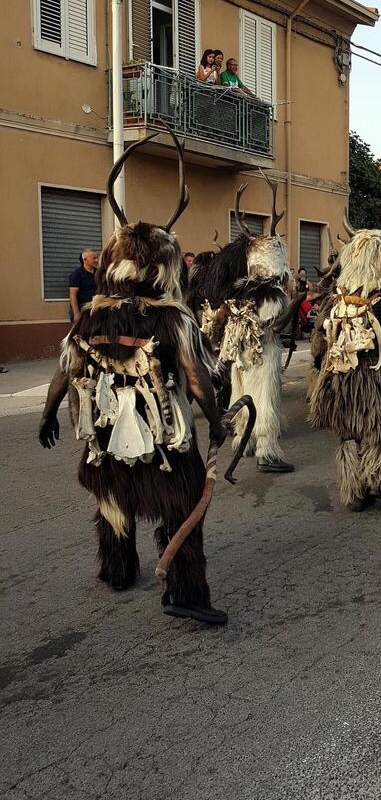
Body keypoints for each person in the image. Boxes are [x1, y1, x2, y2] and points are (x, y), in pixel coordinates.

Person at [38, 130, 231, 626]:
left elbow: (66, 370)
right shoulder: (173, 318)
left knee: (112, 501)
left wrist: (48, 416)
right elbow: (196, 380)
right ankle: (185, 591)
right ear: (166, 267)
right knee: (182, 505)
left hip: (105, 436)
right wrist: (218, 421)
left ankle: (118, 568)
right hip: (165, 445)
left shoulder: (92, 316)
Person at [309, 218, 381, 511]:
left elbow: (320, 339)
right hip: (374, 377)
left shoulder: (336, 299)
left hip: (338, 377)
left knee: (348, 432)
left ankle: (354, 491)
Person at [188, 180, 304, 474]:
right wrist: (296, 301)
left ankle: (243, 440)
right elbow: (275, 325)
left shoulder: (240, 290)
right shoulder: (273, 294)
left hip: (238, 354)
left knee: (241, 392)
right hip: (262, 353)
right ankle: (267, 450)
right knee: (265, 395)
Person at [69, 249, 98, 322]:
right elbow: (73, 295)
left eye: (97, 258)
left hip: (95, 311)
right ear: (85, 259)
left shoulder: (99, 273)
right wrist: (76, 313)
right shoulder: (77, 274)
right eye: (94, 258)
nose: (97, 260)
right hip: (82, 311)